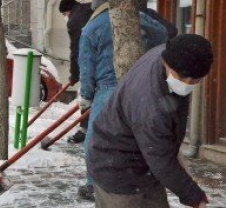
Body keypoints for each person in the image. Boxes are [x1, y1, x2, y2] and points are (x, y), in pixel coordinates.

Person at [87, 34, 213, 208]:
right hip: (118, 173)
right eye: (182, 77)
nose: (187, 84)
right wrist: (193, 195)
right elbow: (161, 160)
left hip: (143, 167)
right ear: (167, 64)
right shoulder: (150, 103)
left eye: (195, 80)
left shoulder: (165, 52)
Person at [77, 0, 168, 201]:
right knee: (140, 135)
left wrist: (86, 95)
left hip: (107, 89)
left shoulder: (91, 28)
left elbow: (86, 67)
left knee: (96, 138)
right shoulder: (138, 18)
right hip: (140, 85)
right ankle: (141, 179)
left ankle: (94, 184)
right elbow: (162, 34)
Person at [59, 0, 93, 144]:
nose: (65, 17)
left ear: (67, 11)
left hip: (90, 62)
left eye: (64, 14)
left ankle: (85, 131)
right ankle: (89, 130)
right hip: (99, 57)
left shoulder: (74, 22)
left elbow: (76, 51)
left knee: (86, 96)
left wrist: (74, 75)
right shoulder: (88, 8)